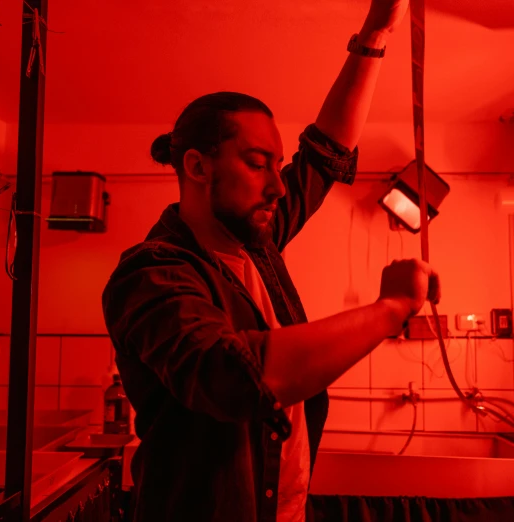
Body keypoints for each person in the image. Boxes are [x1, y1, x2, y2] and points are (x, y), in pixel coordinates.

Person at [102, 1, 439, 520]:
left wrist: (375, 32)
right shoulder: (153, 274)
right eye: (258, 164)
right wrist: (390, 309)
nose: (279, 186)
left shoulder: (257, 244)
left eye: (278, 166)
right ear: (197, 166)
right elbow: (230, 376)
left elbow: (327, 152)